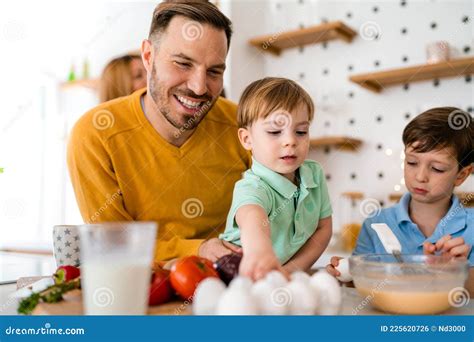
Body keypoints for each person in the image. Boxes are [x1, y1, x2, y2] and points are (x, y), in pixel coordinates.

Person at [67, 1, 251, 262]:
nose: (199, 88)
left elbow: (282, 214)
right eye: (183, 64)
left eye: (213, 71)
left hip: (232, 287)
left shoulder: (242, 124)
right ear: (148, 56)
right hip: (140, 292)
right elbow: (114, 246)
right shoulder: (95, 134)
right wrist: (198, 250)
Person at [327, 107, 474, 278]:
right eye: (412, 162)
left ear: (461, 175)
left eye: (437, 168)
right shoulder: (376, 223)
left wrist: (452, 273)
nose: (420, 177)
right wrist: (343, 275)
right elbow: (361, 283)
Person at [220, 77, 333, 280]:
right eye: (274, 132)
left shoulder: (314, 173)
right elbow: (252, 218)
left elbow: (323, 229)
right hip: (238, 277)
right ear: (247, 139)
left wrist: (289, 272)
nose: (290, 141)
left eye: (301, 131)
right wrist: (259, 251)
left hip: (277, 279)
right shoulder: (252, 186)